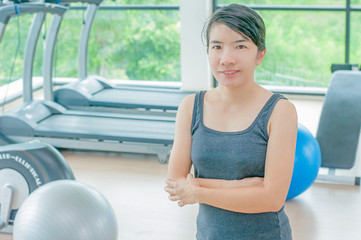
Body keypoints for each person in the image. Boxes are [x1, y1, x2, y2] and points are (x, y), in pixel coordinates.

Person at [164, 4, 297, 240]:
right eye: (217, 46)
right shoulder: (190, 107)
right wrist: (243, 186)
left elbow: (272, 198)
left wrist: (198, 191)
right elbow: (176, 184)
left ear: (260, 55)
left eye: (240, 46)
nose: (226, 59)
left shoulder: (280, 111)